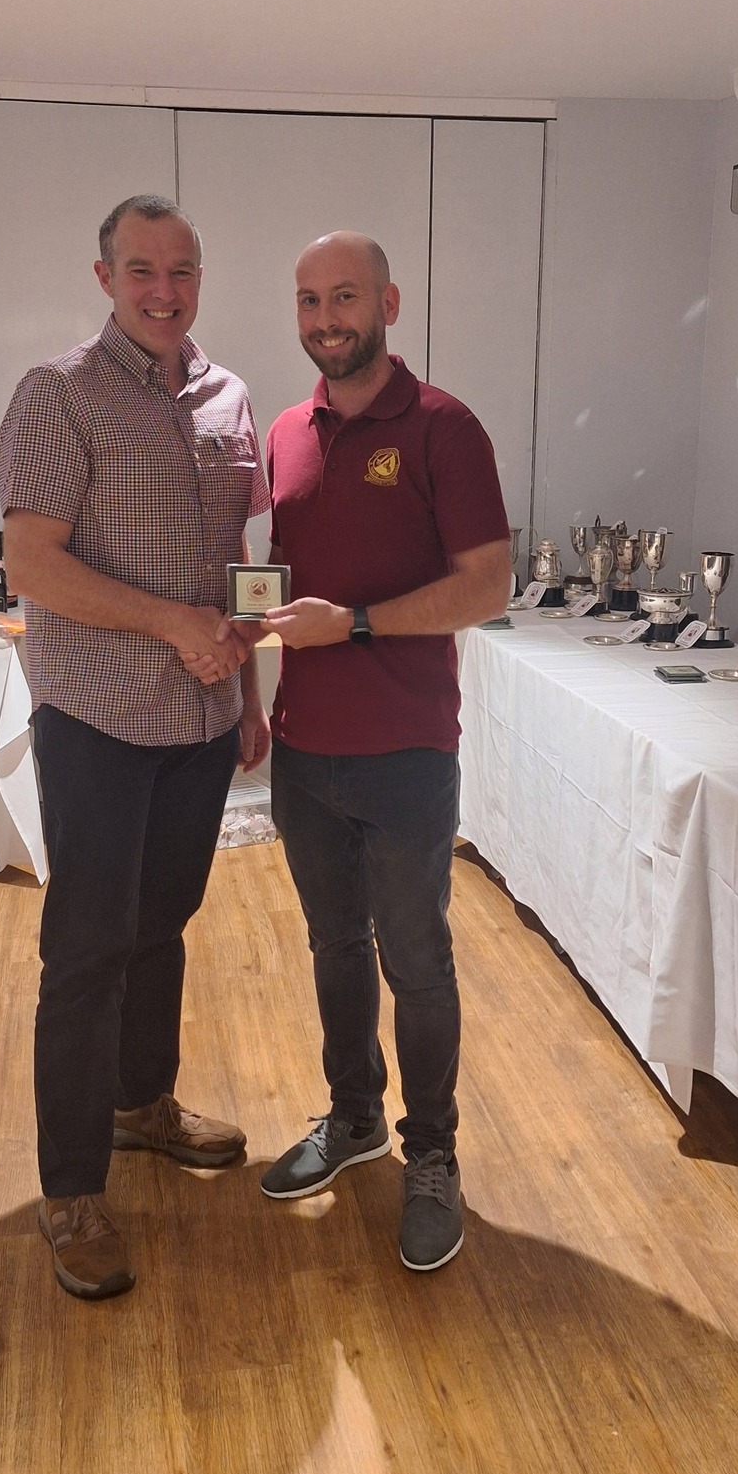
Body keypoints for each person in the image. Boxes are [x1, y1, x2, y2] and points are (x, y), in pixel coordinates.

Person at [0, 194, 270, 1301]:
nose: (165, 290)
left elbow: (235, 566)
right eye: (143, 270)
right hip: (99, 719)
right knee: (87, 952)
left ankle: (141, 1102)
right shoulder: (59, 393)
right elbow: (32, 565)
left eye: (183, 270)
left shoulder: (229, 397)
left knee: (163, 927)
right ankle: (71, 1189)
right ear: (105, 276)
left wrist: (248, 687)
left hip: (201, 725)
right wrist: (171, 625)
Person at [257, 232, 510, 1271]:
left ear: (389, 303)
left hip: (406, 752)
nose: (326, 318)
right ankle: (355, 1115)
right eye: (309, 300)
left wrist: (355, 624)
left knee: (418, 962)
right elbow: (275, 584)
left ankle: (433, 1154)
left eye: (345, 296)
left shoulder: (446, 427)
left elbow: (487, 585)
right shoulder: (285, 432)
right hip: (304, 751)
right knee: (334, 946)